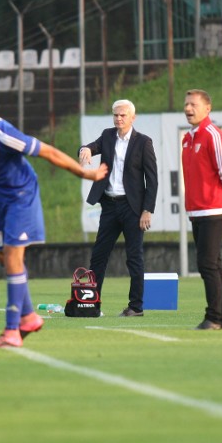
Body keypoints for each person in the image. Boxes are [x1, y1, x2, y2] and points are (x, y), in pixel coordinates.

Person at [0, 83, 108, 347]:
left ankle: (12, 330)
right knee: (3, 257)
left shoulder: (1, 133)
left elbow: (48, 151)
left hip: (20, 195)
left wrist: (88, 174)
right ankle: (28, 316)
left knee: (14, 255)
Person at [79, 99, 158, 317]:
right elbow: (91, 146)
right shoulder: (107, 135)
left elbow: (152, 180)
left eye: (123, 115)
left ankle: (136, 306)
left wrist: (147, 210)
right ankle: (92, 304)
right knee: (98, 256)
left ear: (133, 117)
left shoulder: (143, 142)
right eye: (115, 115)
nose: (118, 119)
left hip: (133, 208)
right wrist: (85, 149)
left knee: (134, 257)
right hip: (110, 206)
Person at [181, 89, 222, 330]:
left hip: (215, 209)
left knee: (206, 264)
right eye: (186, 104)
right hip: (198, 211)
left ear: (207, 109)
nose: (188, 108)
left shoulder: (212, 135)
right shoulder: (188, 138)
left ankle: (214, 317)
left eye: (193, 104)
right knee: (214, 264)